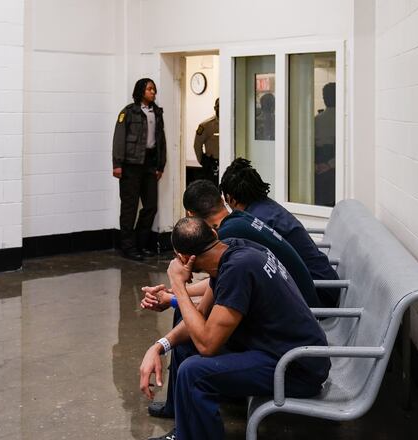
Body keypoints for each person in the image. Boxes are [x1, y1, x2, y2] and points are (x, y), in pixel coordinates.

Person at [139, 179, 320, 420]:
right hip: (278, 349)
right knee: (186, 340)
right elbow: (201, 313)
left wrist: (179, 287)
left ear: (182, 257)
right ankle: (182, 425)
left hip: (295, 367)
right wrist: (159, 346)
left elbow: (208, 344)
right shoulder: (231, 247)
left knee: (194, 371)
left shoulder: (237, 268)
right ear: (214, 232)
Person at [220, 158, 342, 307]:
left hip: (318, 293)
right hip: (326, 283)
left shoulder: (254, 222)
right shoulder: (268, 208)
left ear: (231, 199)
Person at [112, 78, 167, 261]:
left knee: (150, 206)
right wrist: (117, 164)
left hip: (150, 164)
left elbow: (161, 141)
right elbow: (119, 138)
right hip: (130, 165)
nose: (153, 92)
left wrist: (160, 165)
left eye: (154, 89)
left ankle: (141, 244)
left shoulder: (157, 113)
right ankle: (128, 247)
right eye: (150, 89)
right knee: (130, 207)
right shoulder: (128, 112)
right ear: (141, 91)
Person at [314, 82, 336, 207]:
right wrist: (330, 164)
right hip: (332, 167)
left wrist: (315, 165)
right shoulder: (342, 120)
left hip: (318, 167)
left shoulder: (316, 120)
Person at [193, 98, 220, 185]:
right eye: (218, 106)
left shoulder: (232, 123)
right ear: (215, 108)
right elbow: (197, 145)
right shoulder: (206, 125)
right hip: (212, 164)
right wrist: (202, 161)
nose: (221, 108)